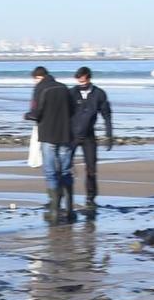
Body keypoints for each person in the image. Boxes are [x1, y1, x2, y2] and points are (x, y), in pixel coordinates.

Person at [25, 66, 77, 218]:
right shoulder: (64, 88)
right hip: (66, 134)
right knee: (66, 171)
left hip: (48, 135)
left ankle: (54, 210)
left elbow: (36, 113)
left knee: (51, 172)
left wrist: (27, 115)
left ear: (37, 77)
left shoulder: (40, 89)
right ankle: (69, 209)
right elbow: (73, 110)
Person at [68, 66, 114, 207]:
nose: (81, 83)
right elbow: (62, 113)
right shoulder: (71, 93)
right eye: (79, 81)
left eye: (84, 80)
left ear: (89, 78)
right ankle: (66, 199)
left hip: (89, 136)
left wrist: (109, 135)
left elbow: (106, 115)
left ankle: (91, 198)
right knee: (65, 167)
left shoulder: (99, 94)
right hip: (72, 135)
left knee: (91, 169)